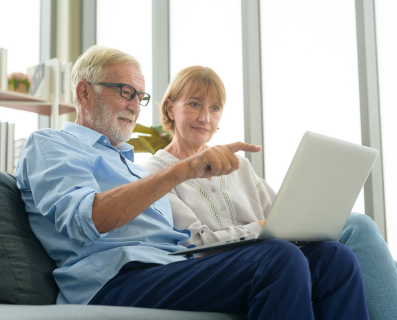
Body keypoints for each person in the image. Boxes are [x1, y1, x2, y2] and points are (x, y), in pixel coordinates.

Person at [14, 45, 369, 320]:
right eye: (125, 91)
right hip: (114, 280)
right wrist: (182, 170)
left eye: (141, 96)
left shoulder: (132, 167)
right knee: (278, 258)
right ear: (83, 93)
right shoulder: (51, 145)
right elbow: (89, 219)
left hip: (173, 266)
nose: (135, 105)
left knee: (332, 258)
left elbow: (186, 242)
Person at [142, 65, 397, 320]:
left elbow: (283, 216)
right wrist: (259, 228)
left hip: (281, 259)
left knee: (395, 272)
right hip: (232, 270)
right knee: (359, 225)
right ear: (169, 108)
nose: (206, 117)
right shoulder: (157, 172)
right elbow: (194, 244)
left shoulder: (240, 167)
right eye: (194, 104)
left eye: (215, 108)